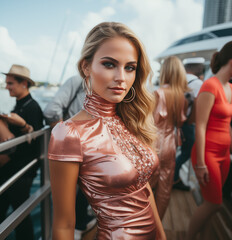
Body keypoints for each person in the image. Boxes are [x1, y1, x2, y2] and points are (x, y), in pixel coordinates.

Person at [48, 22, 166, 240]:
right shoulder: (68, 134)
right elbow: (64, 225)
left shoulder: (129, 119)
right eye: (110, 64)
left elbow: (144, 189)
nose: (121, 77)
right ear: (86, 67)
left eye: (130, 67)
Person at [186, 40, 232, 240]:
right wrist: (200, 165)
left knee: (211, 202)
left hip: (224, 154)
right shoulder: (210, 86)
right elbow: (199, 125)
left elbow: (226, 124)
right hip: (206, 153)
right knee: (214, 203)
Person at [43, 75, 96, 239]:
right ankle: (78, 227)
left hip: (89, 147)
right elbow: (51, 110)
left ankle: (80, 223)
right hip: (77, 146)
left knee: (80, 192)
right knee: (68, 201)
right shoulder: (77, 81)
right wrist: (64, 135)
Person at [0, 64, 43, 240]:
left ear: (23, 83)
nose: (7, 86)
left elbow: (36, 140)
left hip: (21, 171)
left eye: (10, 83)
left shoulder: (32, 107)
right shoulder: (20, 106)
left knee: (20, 217)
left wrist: (21, 125)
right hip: (13, 167)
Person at [151, 56, 190, 219]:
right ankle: (158, 225)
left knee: (146, 186)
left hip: (155, 143)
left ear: (165, 72)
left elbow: (151, 122)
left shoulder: (158, 93)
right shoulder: (181, 96)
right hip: (171, 144)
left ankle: (142, 225)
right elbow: (181, 122)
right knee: (165, 188)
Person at [173, 57, 204, 191]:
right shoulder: (197, 83)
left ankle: (172, 177)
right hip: (188, 123)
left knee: (181, 150)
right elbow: (198, 105)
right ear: (196, 67)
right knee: (187, 151)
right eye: (201, 66)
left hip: (177, 121)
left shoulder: (178, 80)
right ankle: (174, 178)